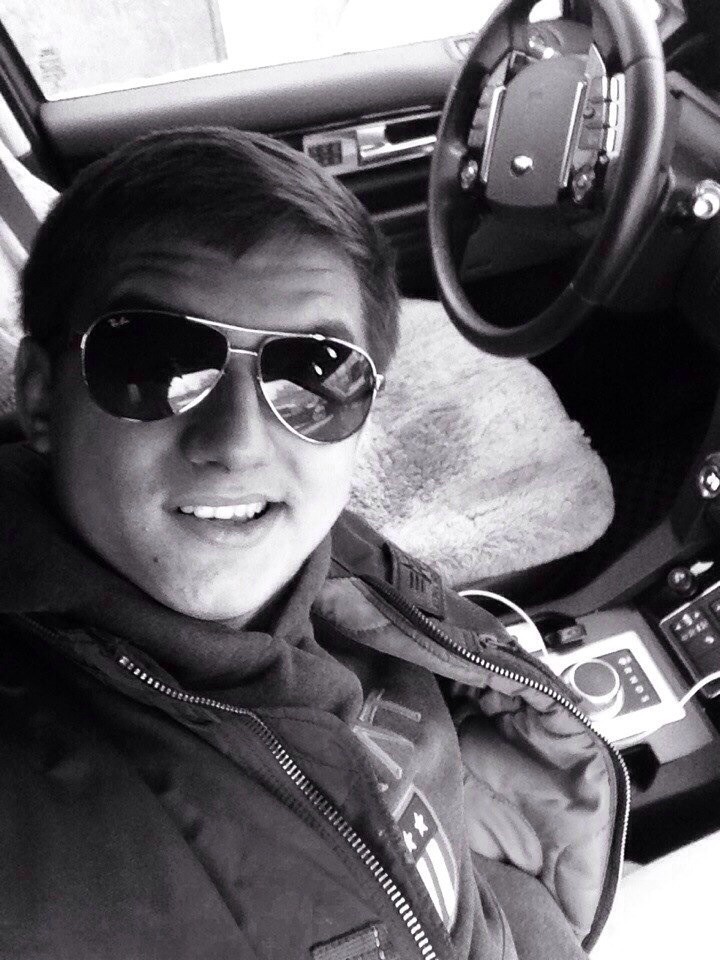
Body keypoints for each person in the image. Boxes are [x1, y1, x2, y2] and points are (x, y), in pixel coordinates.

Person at [0, 126, 625, 960]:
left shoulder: (339, 566)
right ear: (41, 396)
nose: (237, 443)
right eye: (152, 364)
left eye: (313, 377)